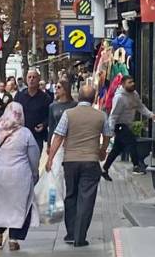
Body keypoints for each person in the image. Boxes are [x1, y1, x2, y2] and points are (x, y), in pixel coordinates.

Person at [45, 85, 112, 247]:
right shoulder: (101, 116)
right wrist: (102, 150)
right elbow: (108, 135)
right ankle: (80, 237)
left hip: (70, 161)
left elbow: (58, 137)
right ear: (95, 97)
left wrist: (50, 158)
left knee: (71, 195)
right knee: (86, 198)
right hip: (91, 161)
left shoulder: (68, 114)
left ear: (79, 97)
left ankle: (70, 233)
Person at [0, 102, 40, 251]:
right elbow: (34, 156)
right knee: (19, 207)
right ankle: (13, 239)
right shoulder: (25, 133)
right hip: (20, 176)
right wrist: (35, 173)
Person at [102, 76, 155, 179]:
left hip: (127, 125)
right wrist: (111, 130)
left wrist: (151, 115)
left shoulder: (134, 94)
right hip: (119, 125)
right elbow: (114, 115)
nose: (133, 84)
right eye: (130, 82)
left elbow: (140, 106)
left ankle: (105, 169)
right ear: (123, 84)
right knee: (132, 142)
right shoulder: (119, 98)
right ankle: (136, 166)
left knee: (117, 149)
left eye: (133, 82)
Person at [13, 70, 53, 154]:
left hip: (37, 136)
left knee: (34, 163)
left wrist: (44, 124)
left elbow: (49, 116)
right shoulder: (19, 96)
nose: (31, 79)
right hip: (21, 135)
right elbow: (13, 114)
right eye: (29, 77)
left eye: (34, 77)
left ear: (38, 79)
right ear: (26, 79)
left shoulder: (45, 98)